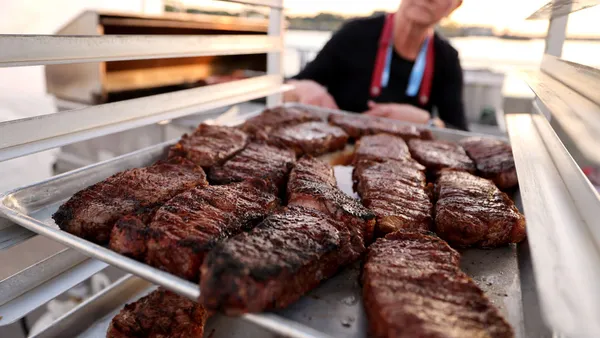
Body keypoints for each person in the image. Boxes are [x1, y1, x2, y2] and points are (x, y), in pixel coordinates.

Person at [284, 0, 468, 130]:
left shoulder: (447, 58)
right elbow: (289, 88)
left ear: (455, 5)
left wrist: (426, 122)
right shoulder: (354, 33)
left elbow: (460, 133)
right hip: (335, 149)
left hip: (406, 164)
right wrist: (303, 88)